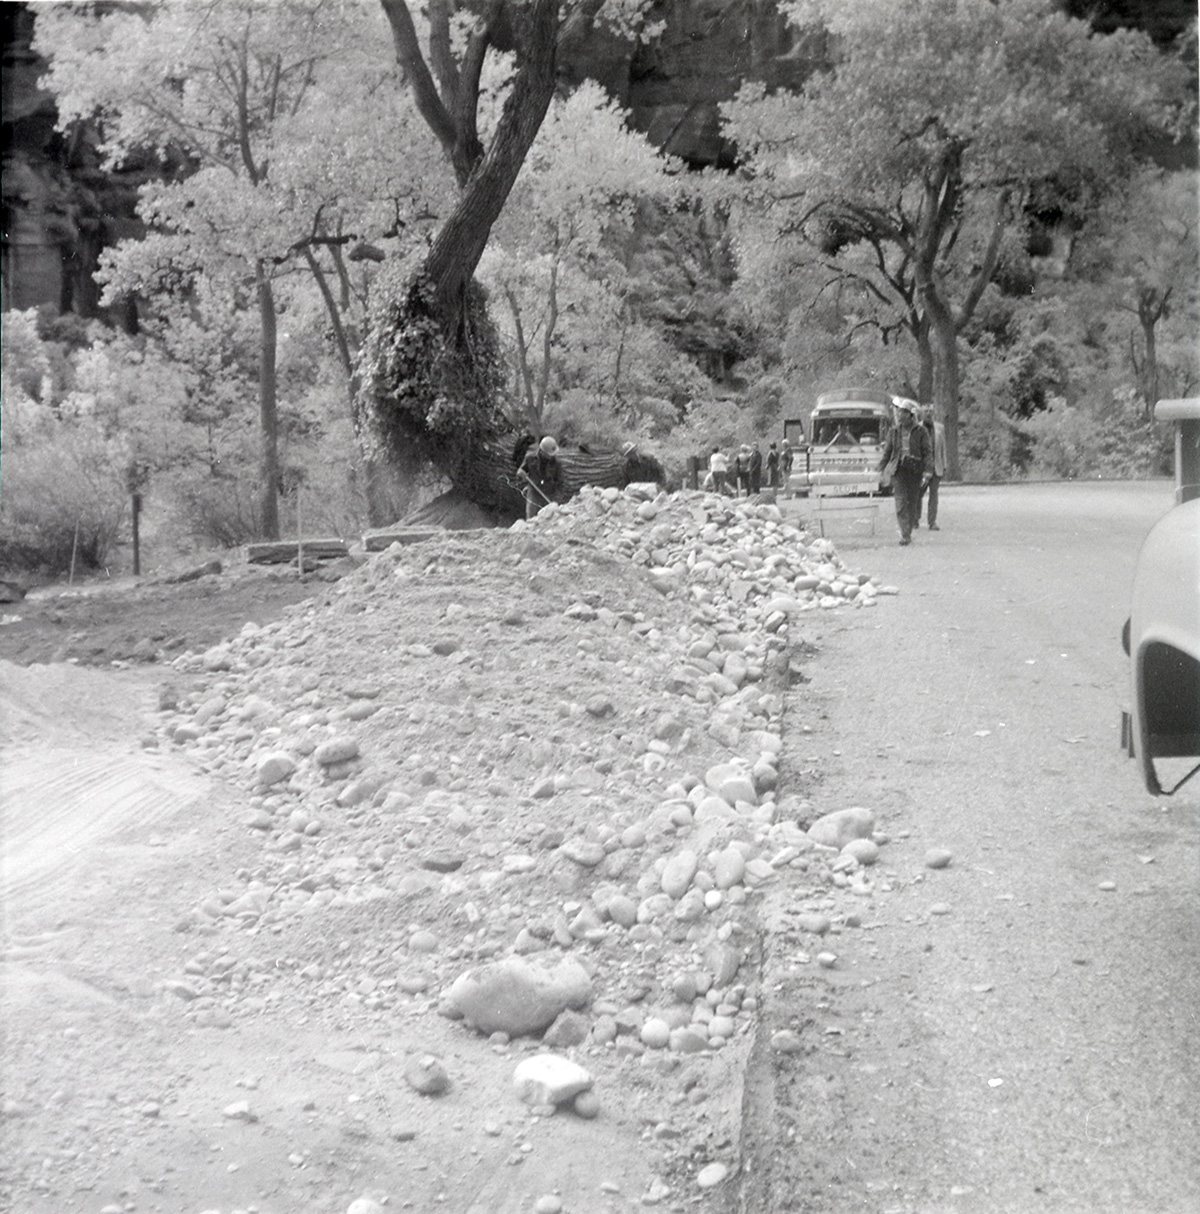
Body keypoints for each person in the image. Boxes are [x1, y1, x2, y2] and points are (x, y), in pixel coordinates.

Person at [879, 397, 932, 545]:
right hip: (899, 470)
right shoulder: (894, 431)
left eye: (902, 413)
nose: (899, 415)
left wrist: (928, 471)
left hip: (915, 470)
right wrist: (880, 469)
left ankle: (907, 530)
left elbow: (927, 452)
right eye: (898, 412)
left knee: (913, 502)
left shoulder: (921, 431)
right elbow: (887, 452)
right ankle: (905, 534)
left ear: (910, 415)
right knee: (901, 502)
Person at [519, 435, 562, 519]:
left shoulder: (557, 463)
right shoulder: (530, 458)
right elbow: (522, 471)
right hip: (533, 493)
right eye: (549, 454)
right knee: (531, 520)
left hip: (549, 494)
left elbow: (561, 483)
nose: (551, 456)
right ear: (542, 452)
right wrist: (521, 473)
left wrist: (556, 501)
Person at [918, 406, 947, 530]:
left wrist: (944, 464)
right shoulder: (917, 427)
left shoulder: (940, 428)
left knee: (934, 495)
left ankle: (932, 522)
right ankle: (915, 519)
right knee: (918, 494)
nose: (928, 413)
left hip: (936, 466)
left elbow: (943, 448)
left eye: (930, 411)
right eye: (926, 411)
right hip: (921, 468)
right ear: (922, 413)